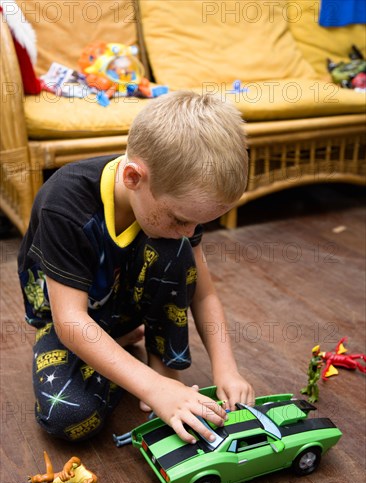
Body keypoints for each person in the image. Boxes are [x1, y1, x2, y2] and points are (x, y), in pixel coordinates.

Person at [18, 91, 254, 444]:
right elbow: (70, 322)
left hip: (127, 310)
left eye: (199, 223)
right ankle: (146, 376)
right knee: (67, 418)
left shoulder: (178, 205)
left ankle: (160, 368)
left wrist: (227, 370)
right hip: (73, 321)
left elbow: (203, 294)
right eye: (181, 219)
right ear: (132, 178)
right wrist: (152, 388)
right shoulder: (64, 204)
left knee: (174, 250)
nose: (190, 232)